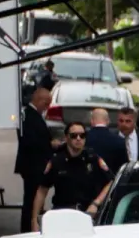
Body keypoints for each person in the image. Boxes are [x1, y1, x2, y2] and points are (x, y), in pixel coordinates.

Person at [32, 122, 112, 228]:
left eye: (82, 136)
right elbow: (42, 190)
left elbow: (111, 182)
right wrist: (34, 220)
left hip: (87, 214)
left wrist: (96, 203)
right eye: (74, 136)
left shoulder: (93, 158)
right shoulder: (56, 161)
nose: (78, 139)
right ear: (67, 138)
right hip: (62, 214)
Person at [15, 82, 53, 230]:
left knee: (32, 199)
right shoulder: (30, 117)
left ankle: (30, 225)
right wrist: (51, 145)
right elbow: (32, 142)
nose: (47, 107)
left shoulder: (31, 115)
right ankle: (28, 228)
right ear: (40, 100)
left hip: (32, 165)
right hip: (33, 165)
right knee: (31, 200)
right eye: (47, 103)